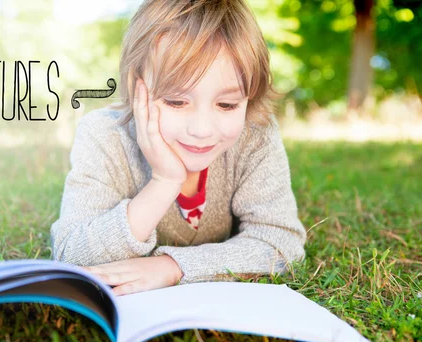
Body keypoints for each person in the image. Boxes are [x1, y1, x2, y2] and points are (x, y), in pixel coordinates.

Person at [50, 0, 307, 296]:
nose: (201, 129)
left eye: (226, 104)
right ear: (137, 87)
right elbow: (71, 254)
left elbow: (280, 242)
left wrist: (173, 266)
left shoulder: (255, 134)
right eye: (176, 101)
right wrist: (164, 182)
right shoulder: (104, 135)